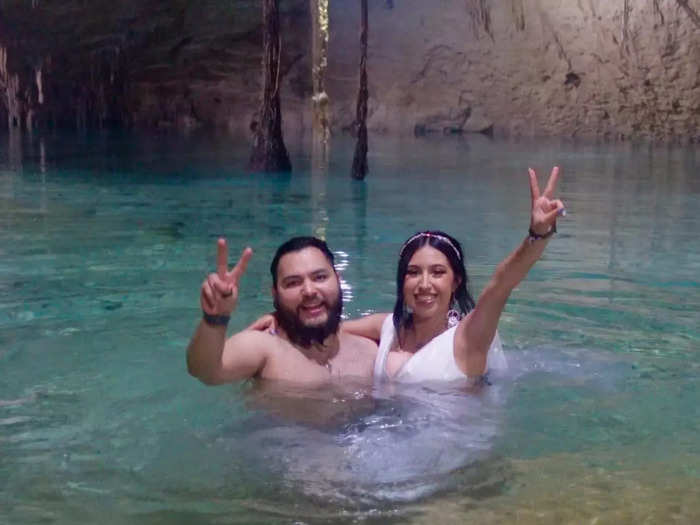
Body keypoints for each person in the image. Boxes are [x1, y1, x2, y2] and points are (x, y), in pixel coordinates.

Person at [250, 166, 565, 386]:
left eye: (438, 273)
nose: (424, 284)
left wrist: (538, 235)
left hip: (453, 459)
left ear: (455, 282)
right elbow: (323, 326)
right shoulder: (387, 327)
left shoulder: (470, 337)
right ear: (402, 281)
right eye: (413, 272)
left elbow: (501, 284)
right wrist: (281, 322)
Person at [186, 236, 377, 386]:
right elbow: (205, 372)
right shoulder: (266, 348)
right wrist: (215, 319)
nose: (309, 291)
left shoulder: (371, 350)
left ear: (338, 280)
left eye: (319, 277)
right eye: (293, 283)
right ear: (275, 294)